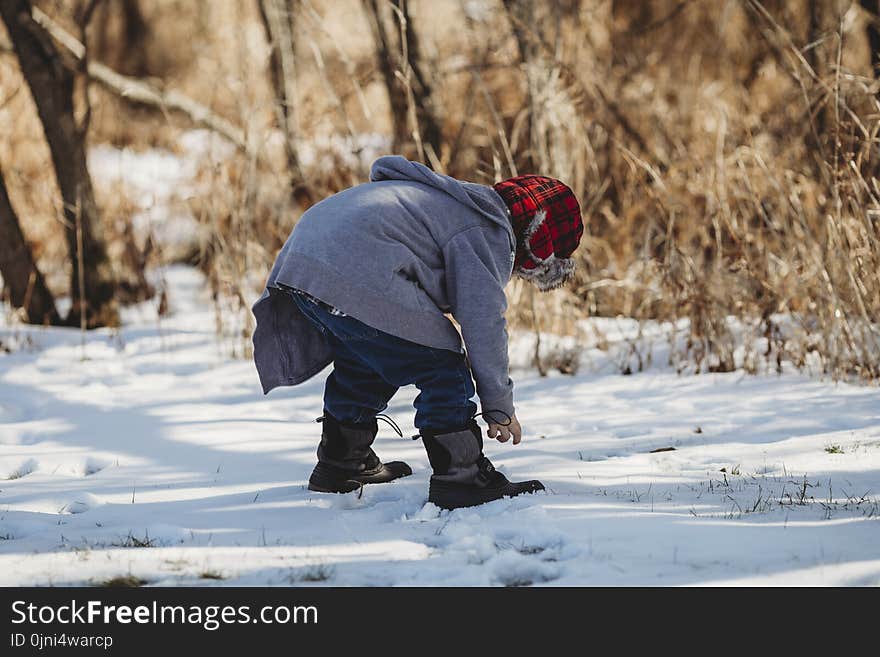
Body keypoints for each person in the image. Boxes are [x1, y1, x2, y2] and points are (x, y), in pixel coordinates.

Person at [252, 156, 583, 509]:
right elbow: (483, 322)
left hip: (301, 266)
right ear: (540, 236)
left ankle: (341, 464)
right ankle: (461, 477)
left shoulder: (455, 205)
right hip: (353, 269)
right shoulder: (487, 232)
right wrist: (499, 406)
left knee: (369, 355)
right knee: (440, 363)